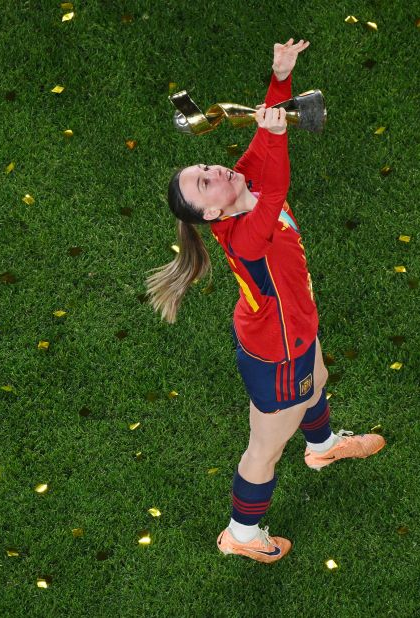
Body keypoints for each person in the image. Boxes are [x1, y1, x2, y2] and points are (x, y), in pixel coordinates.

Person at [144, 38, 386, 563]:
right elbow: (276, 183)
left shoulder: (246, 177)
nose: (215, 172)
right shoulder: (245, 232)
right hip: (277, 352)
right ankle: (241, 534)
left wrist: (281, 77)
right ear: (210, 216)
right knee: (265, 447)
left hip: (290, 326)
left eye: (206, 168)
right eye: (204, 184)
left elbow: (263, 140)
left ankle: (321, 449)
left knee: (317, 378)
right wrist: (279, 135)